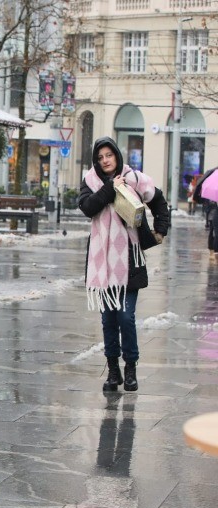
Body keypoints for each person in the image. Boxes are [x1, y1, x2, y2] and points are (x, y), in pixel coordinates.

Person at [78, 137, 169, 392]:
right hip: (102, 262)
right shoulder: (90, 182)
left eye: (109, 155)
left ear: (117, 155)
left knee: (126, 317)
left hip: (129, 259)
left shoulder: (135, 179)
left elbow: (159, 203)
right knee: (108, 320)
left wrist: (160, 230)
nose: (105, 160)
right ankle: (113, 371)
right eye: (100, 157)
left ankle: (131, 368)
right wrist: (110, 188)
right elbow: (87, 207)